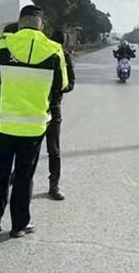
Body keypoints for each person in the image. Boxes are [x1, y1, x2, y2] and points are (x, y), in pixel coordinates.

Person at [0, 5, 68, 238]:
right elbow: (61, 85)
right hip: (34, 126)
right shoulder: (55, 50)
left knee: (0, 172)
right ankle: (20, 225)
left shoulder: (3, 45)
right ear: (41, 26)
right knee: (25, 176)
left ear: (19, 23)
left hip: (4, 123)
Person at [46, 30, 76, 201]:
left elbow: (69, 83)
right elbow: (71, 83)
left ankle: (54, 184)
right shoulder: (46, 53)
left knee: (50, 148)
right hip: (46, 106)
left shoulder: (64, 57)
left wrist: (57, 87)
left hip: (50, 106)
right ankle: (54, 185)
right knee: (53, 149)